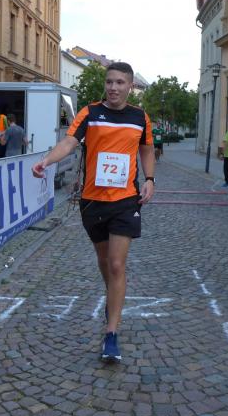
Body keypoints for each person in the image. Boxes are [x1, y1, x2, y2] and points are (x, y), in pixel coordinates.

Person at [32, 62, 155, 363]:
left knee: (116, 264)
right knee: (104, 263)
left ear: (130, 86)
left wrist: (150, 178)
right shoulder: (90, 113)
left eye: (120, 82)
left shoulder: (139, 117)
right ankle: (113, 297)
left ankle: (111, 333)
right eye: (109, 82)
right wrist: (46, 161)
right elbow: (69, 142)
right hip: (92, 201)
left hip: (126, 200)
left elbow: (147, 148)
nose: (113, 87)